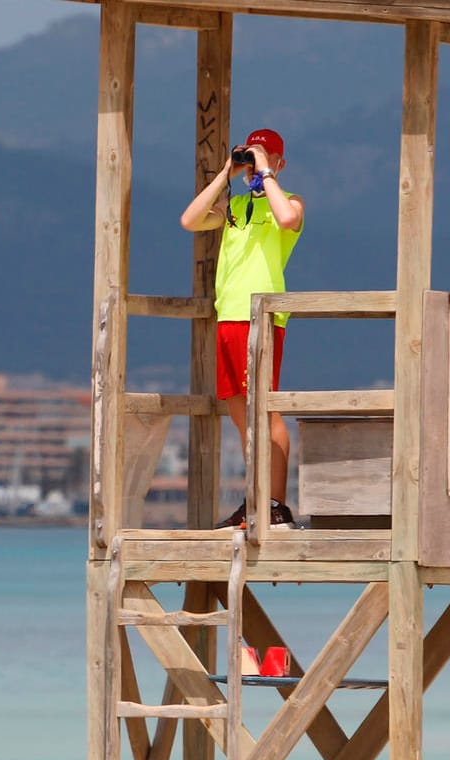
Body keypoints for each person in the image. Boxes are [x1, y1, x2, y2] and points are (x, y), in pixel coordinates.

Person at [179, 127, 306, 529]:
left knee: (265, 410)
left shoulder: (290, 203)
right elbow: (189, 219)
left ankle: (277, 504)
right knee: (239, 412)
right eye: (252, 156)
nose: (255, 162)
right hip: (229, 315)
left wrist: (266, 172)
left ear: (280, 163)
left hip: (263, 316)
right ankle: (256, 500)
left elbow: (287, 219)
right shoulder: (233, 207)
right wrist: (226, 173)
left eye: (264, 156)